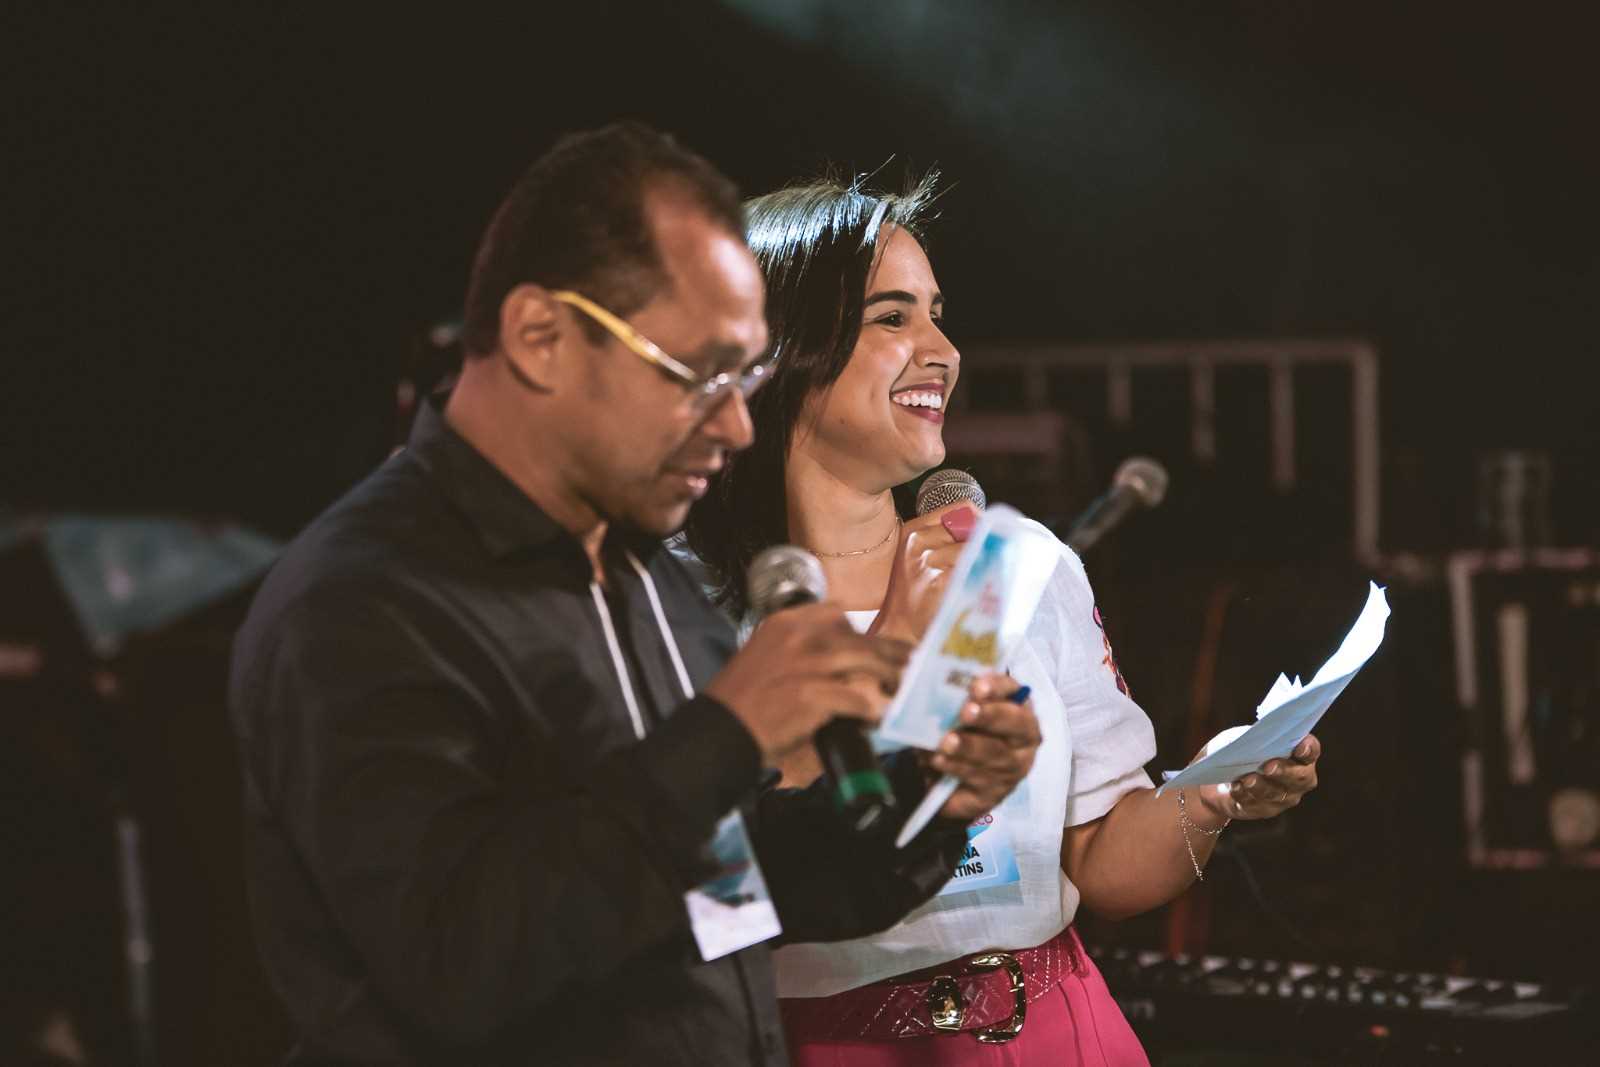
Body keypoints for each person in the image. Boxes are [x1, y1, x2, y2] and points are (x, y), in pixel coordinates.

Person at [228, 125, 1043, 1066]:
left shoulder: (642, 571)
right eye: (700, 374)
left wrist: (932, 798)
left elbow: (718, 891)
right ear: (541, 337)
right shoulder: (364, 598)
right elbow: (455, 959)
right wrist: (731, 733)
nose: (737, 423)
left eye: (748, 379)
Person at [683, 174, 1323, 1065]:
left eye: (939, 314)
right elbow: (720, 885)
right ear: (781, 348)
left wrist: (1216, 790)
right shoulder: (683, 609)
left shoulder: (1013, 568)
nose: (942, 349)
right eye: (893, 318)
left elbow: (1102, 858)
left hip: (1062, 1031)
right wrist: (900, 638)